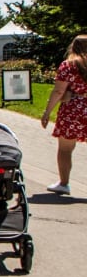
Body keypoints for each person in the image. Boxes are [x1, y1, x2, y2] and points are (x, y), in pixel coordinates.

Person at [40, 35, 87, 195]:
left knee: (65, 149)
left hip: (73, 110)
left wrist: (47, 112)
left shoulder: (68, 65)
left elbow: (59, 91)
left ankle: (64, 183)